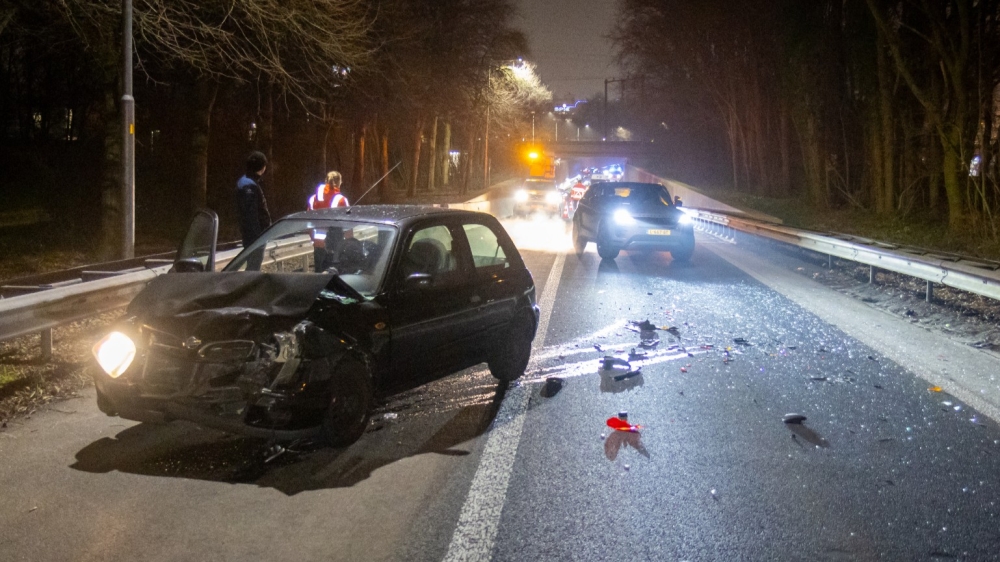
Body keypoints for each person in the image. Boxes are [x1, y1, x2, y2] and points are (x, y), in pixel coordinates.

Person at [236, 151, 272, 270]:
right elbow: (251, 215)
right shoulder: (249, 185)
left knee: (253, 266)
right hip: (255, 236)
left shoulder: (246, 181)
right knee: (253, 268)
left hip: (253, 235)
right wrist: (258, 237)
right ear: (262, 167)